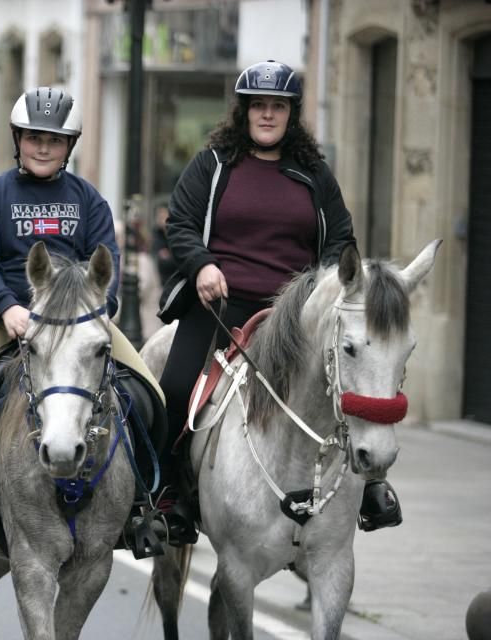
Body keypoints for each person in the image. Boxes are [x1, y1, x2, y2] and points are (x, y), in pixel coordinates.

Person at [0, 86, 165, 540]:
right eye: (33, 137)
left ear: (69, 147)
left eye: (55, 140)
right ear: (17, 139)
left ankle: (146, 503)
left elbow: (108, 261)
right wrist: (6, 308)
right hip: (7, 317)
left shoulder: (88, 200)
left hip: (76, 321)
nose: (43, 147)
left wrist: (102, 309)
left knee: (150, 393)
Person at [155, 60, 400, 546]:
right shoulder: (213, 163)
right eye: (259, 106)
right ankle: (167, 497)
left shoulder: (314, 174)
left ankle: (372, 487)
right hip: (222, 307)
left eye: (278, 107)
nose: (268, 115)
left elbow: (340, 240)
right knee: (175, 388)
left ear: (292, 113)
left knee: (363, 376)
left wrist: (321, 288)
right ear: (243, 111)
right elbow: (179, 222)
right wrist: (202, 264)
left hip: (298, 315)